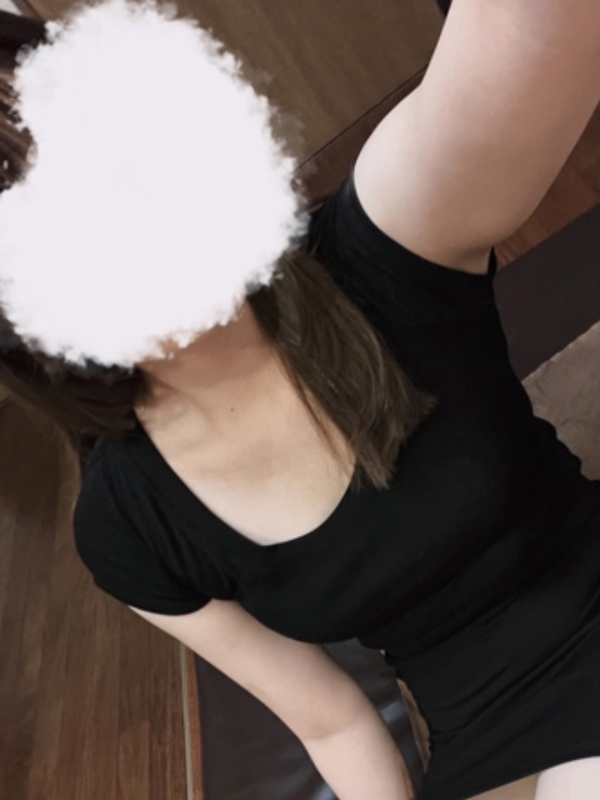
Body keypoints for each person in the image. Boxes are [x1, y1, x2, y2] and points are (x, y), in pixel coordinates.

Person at [3, 1, 600, 799]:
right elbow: (332, 723)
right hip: (491, 737)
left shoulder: (382, 246)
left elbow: (531, 28)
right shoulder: (127, 528)